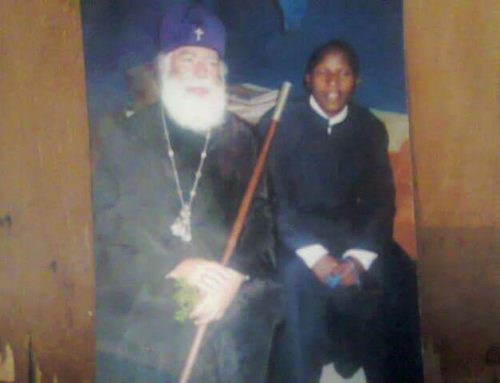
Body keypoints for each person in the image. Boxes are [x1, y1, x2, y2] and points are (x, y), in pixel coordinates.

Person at [92, 4, 280, 382]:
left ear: (221, 72)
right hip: (150, 280)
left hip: (226, 283)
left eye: (209, 62)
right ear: (164, 66)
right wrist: (178, 266)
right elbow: (110, 226)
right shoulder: (126, 137)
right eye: (187, 58)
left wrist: (233, 278)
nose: (199, 71)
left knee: (248, 319)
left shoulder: (243, 138)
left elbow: (260, 220)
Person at [263, 40, 422, 382]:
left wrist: (359, 258)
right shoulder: (281, 123)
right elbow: (276, 198)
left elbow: (382, 199)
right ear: (308, 79)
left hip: (356, 237)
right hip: (296, 239)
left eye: (343, 74)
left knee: (399, 277)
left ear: (357, 82)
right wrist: (316, 257)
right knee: (293, 286)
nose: (333, 83)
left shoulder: (370, 128)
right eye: (324, 73)